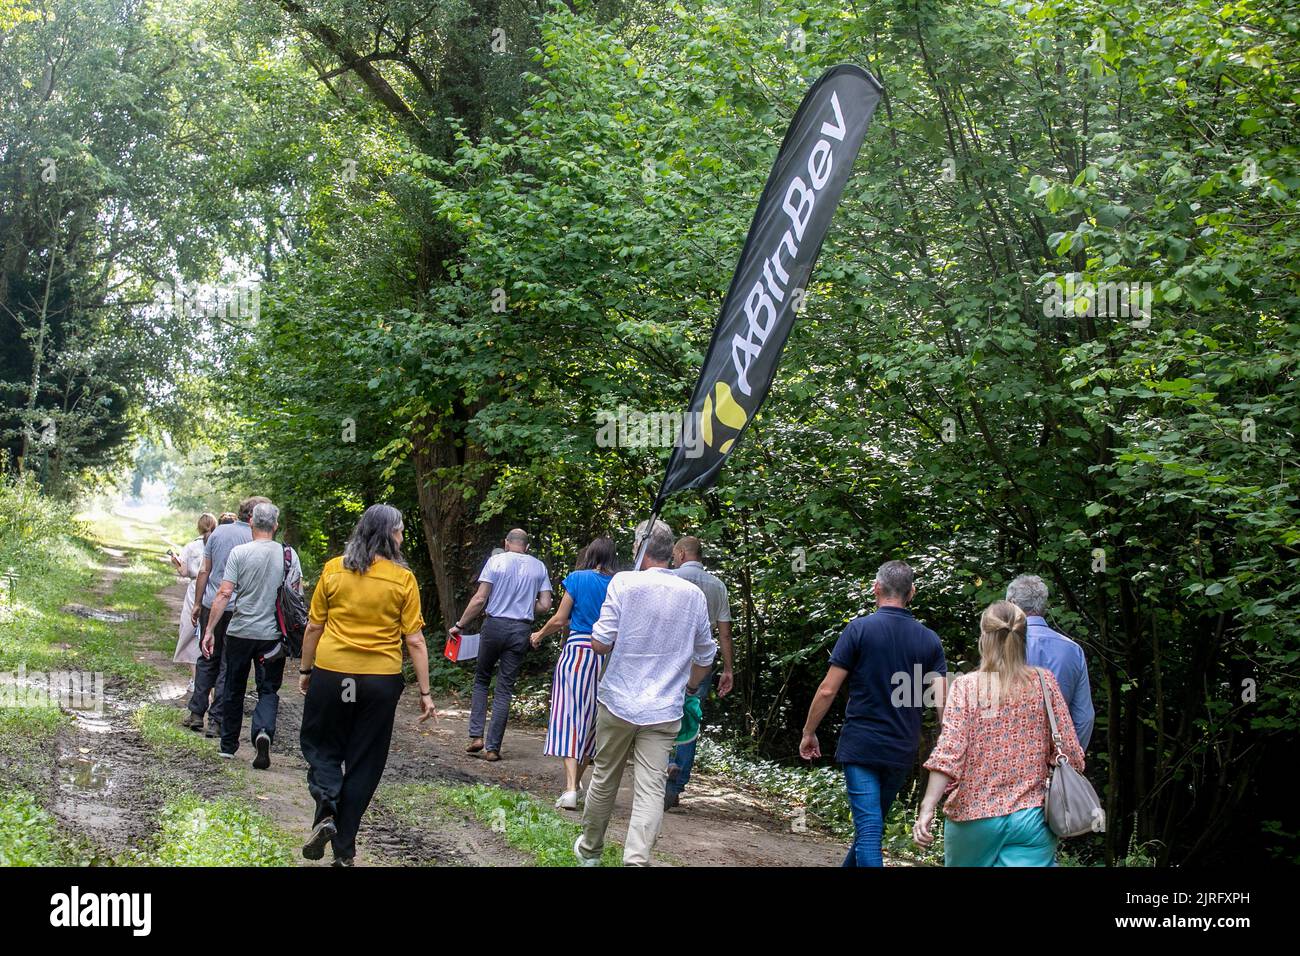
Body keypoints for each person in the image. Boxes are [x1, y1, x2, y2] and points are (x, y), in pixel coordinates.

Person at [298, 504, 435, 866]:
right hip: (379, 681)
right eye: (401, 530)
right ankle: (344, 851)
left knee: (323, 747)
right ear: (389, 534)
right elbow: (415, 640)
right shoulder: (403, 579)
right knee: (364, 762)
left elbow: (313, 627)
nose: (403, 537)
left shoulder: (333, 569)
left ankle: (326, 809)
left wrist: (306, 670)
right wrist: (425, 692)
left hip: (333, 674)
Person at [574, 527, 716, 867]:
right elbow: (705, 656)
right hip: (665, 707)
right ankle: (636, 859)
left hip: (618, 700)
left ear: (640, 548)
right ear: (671, 553)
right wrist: (691, 687)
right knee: (651, 787)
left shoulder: (623, 583)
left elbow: (600, 643)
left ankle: (590, 851)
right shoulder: (692, 594)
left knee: (606, 776)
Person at [799, 560, 947, 867]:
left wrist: (809, 731)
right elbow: (942, 703)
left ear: (876, 589)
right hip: (901, 749)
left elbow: (828, 690)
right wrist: (946, 747)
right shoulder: (929, 640)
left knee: (868, 832)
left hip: (862, 746)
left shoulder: (859, 630)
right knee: (870, 829)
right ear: (912, 593)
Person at [914, 600, 1085, 866]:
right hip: (1031, 818)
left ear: (984, 638)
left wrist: (927, 808)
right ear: (1022, 638)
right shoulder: (1044, 682)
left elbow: (948, 754)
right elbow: (1071, 754)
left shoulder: (966, 687)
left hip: (973, 817)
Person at [203, 501, 301, 767]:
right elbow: (296, 596)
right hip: (272, 636)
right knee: (268, 689)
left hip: (239, 632)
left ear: (251, 524)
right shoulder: (288, 555)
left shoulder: (239, 552)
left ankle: (228, 745)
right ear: (276, 525)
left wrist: (210, 630)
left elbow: (224, 593)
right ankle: (262, 732)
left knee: (234, 687)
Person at [449, 528, 552, 760]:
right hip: (521, 630)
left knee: (482, 680)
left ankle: (476, 736)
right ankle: (493, 748)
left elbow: (479, 598)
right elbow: (545, 605)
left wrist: (460, 625)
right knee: (505, 688)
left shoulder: (495, 561)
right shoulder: (539, 567)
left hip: (494, 626)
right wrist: (526, 606)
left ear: (506, 543)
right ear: (526, 547)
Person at [532, 536, 617, 809]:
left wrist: (539, 634)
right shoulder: (618, 584)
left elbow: (559, 619)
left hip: (578, 651)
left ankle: (569, 789)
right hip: (605, 657)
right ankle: (577, 785)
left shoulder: (577, 578)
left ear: (590, 554)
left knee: (570, 715)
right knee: (592, 720)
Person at [185, 496, 269, 734]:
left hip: (212, 604)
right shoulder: (256, 539)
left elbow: (204, 570)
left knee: (206, 656)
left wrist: (198, 603)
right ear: (255, 517)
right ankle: (216, 720)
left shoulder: (217, 534)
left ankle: (196, 712)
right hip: (239, 608)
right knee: (228, 665)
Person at [664, 535, 734, 811]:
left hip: (668, 658)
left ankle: (661, 767)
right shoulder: (717, 585)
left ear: (681, 553)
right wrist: (728, 668)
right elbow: (725, 634)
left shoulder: (669, 578)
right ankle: (676, 783)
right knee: (690, 717)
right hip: (700, 662)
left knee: (662, 713)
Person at [1005, 574, 1094, 749]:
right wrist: (1070, 759)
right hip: (1058, 753)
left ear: (1012, 604)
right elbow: (1084, 717)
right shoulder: (1073, 650)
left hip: (1010, 754)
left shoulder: (1000, 647)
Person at [170, 512, 217, 684]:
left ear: (198, 527)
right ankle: (211, 680)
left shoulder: (191, 546)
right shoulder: (218, 543)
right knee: (211, 633)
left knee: (190, 633)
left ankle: (196, 680)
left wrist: (175, 561)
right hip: (213, 590)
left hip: (194, 592)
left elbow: (183, 572)